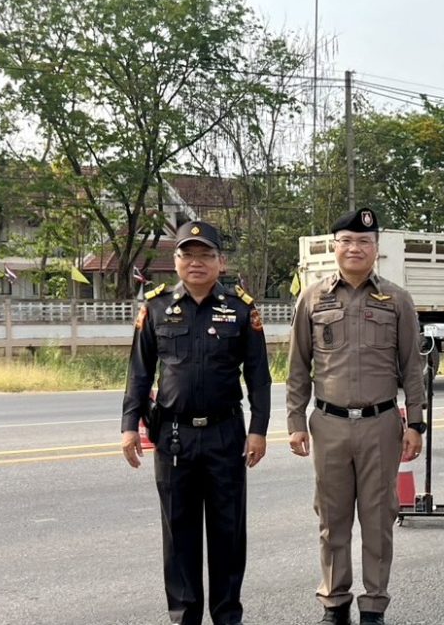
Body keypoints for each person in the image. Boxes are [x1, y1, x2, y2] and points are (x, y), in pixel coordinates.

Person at [121, 220, 272, 625]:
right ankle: (184, 617)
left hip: (226, 434)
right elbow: (139, 373)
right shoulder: (155, 307)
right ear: (176, 261)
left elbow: (258, 376)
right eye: (187, 254)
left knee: (228, 534)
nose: (196, 262)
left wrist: (258, 430)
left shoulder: (241, 309)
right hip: (174, 437)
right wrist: (129, 425)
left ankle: (227, 617)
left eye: (206, 255)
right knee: (179, 535)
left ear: (221, 262)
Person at [285, 208, 428, 625]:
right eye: (346, 241)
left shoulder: (397, 300)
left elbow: (411, 367)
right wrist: (295, 422)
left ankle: (374, 605)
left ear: (376, 248)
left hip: (381, 425)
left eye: (364, 241)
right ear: (335, 247)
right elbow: (298, 367)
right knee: (332, 520)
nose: (355, 248)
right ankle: (334, 602)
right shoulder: (312, 298)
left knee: (378, 519)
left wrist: (415, 424)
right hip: (328, 425)